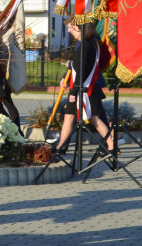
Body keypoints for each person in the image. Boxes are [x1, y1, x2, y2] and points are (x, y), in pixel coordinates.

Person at [50, 20, 116, 154]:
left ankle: (112, 145)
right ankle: (61, 147)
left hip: (84, 89)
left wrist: (74, 92)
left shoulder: (85, 45)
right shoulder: (87, 43)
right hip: (81, 87)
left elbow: (82, 71)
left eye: (71, 28)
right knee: (69, 116)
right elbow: (79, 65)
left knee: (95, 118)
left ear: (80, 28)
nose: (69, 31)